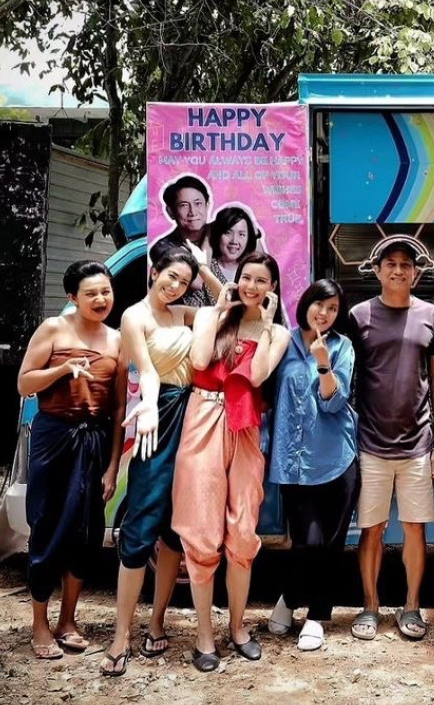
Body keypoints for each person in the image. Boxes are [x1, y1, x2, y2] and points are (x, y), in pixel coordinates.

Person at [172, 252, 290, 672]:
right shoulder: (210, 316)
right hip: (203, 418)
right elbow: (199, 361)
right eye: (246, 278)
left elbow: (255, 376)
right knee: (202, 531)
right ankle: (204, 634)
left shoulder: (279, 333)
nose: (252, 286)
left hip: (245, 429)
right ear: (236, 280)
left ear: (272, 288)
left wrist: (268, 324)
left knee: (242, 531)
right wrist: (219, 311)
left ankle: (238, 627)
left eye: (261, 280)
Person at [17, 261, 124, 660]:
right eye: (91, 293)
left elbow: (118, 407)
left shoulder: (117, 340)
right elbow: (24, 383)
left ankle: (68, 620)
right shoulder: (53, 329)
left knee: (86, 530)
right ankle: (39, 624)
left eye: (105, 291)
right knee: (46, 526)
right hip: (54, 438)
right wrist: (62, 369)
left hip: (95, 441)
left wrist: (112, 466)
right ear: (72, 297)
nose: (100, 299)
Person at [100, 248, 199, 676]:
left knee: (175, 531)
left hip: (193, 420)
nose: (175, 286)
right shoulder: (134, 316)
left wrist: (203, 267)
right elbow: (149, 371)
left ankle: (157, 621)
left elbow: (229, 307)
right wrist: (151, 406)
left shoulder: (185, 314)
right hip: (156, 421)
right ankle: (121, 634)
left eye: (184, 282)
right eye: (171, 276)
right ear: (154, 271)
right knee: (140, 526)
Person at [348, 237, 434, 642]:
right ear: (377, 269)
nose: (399, 270)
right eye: (391, 263)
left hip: (418, 443)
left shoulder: (431, 315)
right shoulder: (358, 316)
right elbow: (348, 375)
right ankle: (370, 606)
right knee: (371, 528)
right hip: (370, 442)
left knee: (414, 529)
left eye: (406, 264)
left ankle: (411, 606)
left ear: (416, 272)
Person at [267, 279, 359, 653]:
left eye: (333, 308)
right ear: (306, 302)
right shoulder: (282, 341)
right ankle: (290, 596)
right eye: (320, 304)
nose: (324, 313)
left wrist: (323, 364)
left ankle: (317, 615)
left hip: (336, 458)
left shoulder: (342, 346)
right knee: (306, 541)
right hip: (293, 460)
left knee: (329, 544)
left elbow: (334, 403)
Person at [155, 175, 222, 306]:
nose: (192, 212)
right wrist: (208, 240)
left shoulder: (224, 233)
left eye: (198, 204)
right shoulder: (164, 247)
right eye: (184, 205)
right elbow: (198, 283)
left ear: (207, 205)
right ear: (171, 212)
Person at [209, 206, 266, 286]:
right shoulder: (206, 270)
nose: (234, 241)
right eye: (228, 233)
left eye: (241, 234)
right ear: (218, 234)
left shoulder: (253, 269)